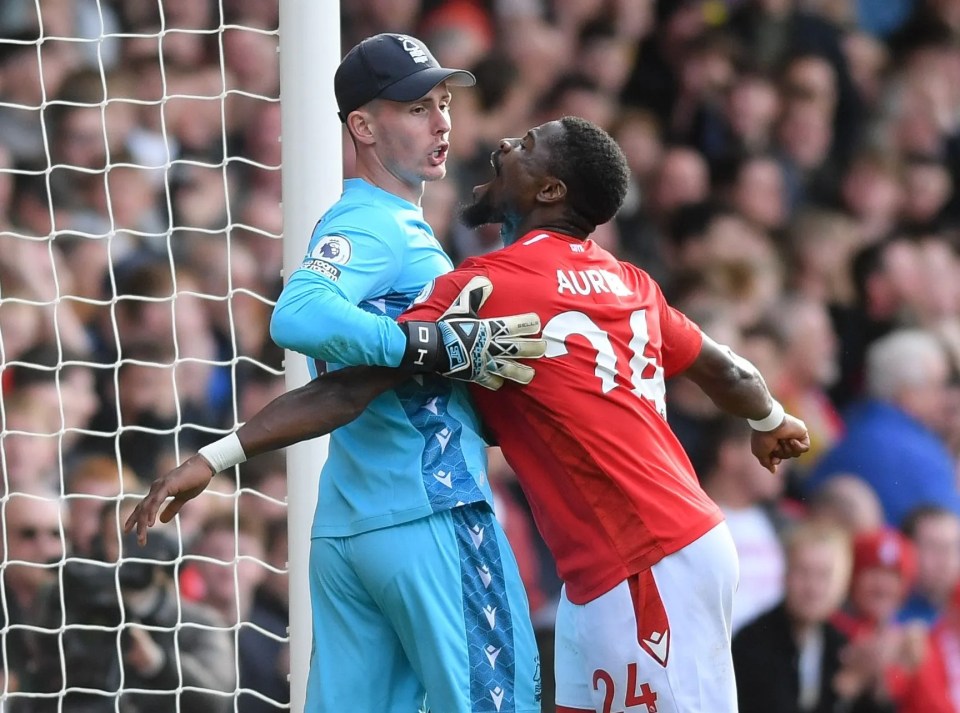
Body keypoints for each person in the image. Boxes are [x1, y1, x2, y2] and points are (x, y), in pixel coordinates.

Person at [128, 116, 811, 713]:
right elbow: (727, 369)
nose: (504, 143)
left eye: (529, 144)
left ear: (550, 191)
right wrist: (772, 419)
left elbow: (349, 388)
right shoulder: (629, 278)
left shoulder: (491, 285)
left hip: (650, 560)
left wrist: (214, 458)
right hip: (622, 563)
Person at [135, 32, 545, 713]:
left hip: (350, 530)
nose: (442, 121)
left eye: (443, 104)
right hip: (432, 512)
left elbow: (343, 389)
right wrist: (425, 347)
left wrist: (216, 454)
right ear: (362, 125)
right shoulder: (377, 224)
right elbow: (297, 314)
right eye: (417, 108)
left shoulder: (373, 225)